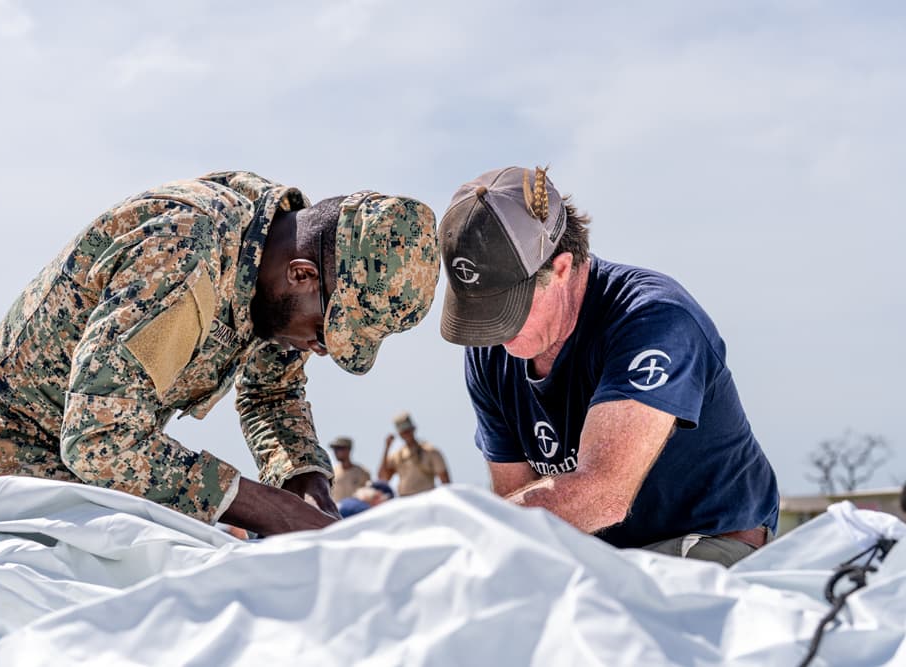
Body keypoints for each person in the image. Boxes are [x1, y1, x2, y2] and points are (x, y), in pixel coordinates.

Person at [0, 171, 439, 537]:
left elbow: (272, 393)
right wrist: (265, 508)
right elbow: (100, 436)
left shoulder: (273, 257)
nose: (321, 349)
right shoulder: (186, 255)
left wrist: (306, 486)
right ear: (303, 275)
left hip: (94, 484)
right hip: (11, 474)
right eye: (326, 332)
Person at [438, 165, 779, 566]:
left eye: (505, 309)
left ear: (561, 269)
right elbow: (518, 507)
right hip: (602, 558)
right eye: (480, 312)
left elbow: (602, 493)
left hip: (702, 541)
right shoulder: (490, 349)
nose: (493, 331)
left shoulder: (654, 319)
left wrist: (457, 537)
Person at [378, 412, 450, 496]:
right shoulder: (398, 456)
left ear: (414, 429)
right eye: (403, 432)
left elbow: (445, 481)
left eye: (408, 430)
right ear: (399, 434)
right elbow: (383, 478)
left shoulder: (430, 452)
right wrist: (387, 448)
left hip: (426, 499)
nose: (406, 434)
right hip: (405, 500)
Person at [328, 436, 371, 502]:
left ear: (348, 450)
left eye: (339, 448)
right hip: (338, 510)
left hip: (358, 510)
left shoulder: (362, 473)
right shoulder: (331, 474)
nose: (335, 452)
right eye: (334, 449)